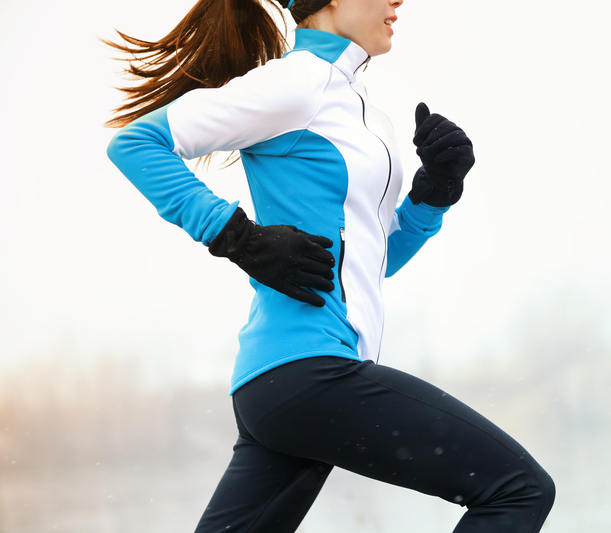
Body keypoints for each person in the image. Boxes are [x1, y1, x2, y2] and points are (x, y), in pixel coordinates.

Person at [105, 0, 556, 531]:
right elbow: (136, 143)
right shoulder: (297, 84)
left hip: (283, 386)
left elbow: (370, 263)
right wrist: (237, 236)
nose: (398, 1)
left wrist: (433, 193)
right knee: (518, 489)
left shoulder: (361, 110)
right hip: (308, 372)